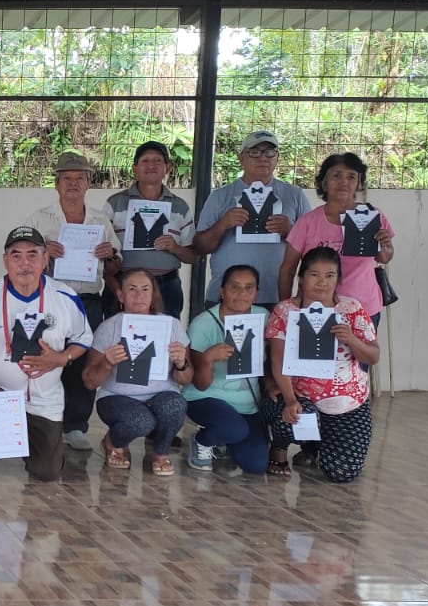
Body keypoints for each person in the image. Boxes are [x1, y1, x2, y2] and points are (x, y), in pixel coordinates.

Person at [0, 227, 92, 482]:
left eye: (32, 255)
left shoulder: (65, 297)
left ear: (45, 259)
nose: (25, 263)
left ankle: (32, 443)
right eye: (16, 255)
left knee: (47, 473)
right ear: (5, 261)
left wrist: (62, 358)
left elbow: (83, 338)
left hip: (45, 397)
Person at [263, 246, 379, 482]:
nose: (322, 282)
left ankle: (318, 445)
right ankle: (280, 447)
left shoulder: (351, 309)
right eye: (314, 274)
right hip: (301, 397)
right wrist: (290, 399)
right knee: (293, 418)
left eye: (330, 275)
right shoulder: (285, 311)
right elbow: (277, 359)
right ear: (301, 278)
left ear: (338, 279)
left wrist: (352, 340)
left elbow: (373, 356)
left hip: (346, 404)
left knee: (342, 473)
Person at [29, 151, 119, 451]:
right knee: (47, 356)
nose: (73, 183)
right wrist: (43, 253)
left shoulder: (100, 220)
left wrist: (110, 255)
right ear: (56, 184)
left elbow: (116, 267)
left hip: (87, 300)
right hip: (49, 300)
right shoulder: (39, 219)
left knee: (82, 360)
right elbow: (22, 262)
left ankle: (76, 426)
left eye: (80, 178)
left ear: (88, 183)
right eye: (66, 178)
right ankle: (43, 423)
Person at [81, 267, 193, 476]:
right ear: (120, 295)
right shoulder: (109, 327)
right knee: (141, 421)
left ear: (153, 295)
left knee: (175, 405)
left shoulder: (171, 326)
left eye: (145, 289)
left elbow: (186, 379)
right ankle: (112, 442)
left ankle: (161, 453)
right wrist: (107, 363)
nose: (139, 295)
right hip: (116, 397)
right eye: (132, 289)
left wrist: (181, 363)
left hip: (161, 394)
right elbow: (89, 381)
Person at [193, 130, 311, 306]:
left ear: (277, 158)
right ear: (241, 158)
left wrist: (290, 231)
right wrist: (223, 224)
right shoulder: (220, 196)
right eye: (254, 152)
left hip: (276, 298)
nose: (263, 158)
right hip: (226, 299)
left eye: (270, 152)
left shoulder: (294, 195)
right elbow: (199, 247)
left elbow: (312, 250)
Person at [279, 151, 396, 327]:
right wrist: (286, 309)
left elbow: (384, 258)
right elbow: (287, 269)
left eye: (351, 177)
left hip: (365, 309)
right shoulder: (308, 222)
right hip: (317, 311)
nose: (344, 182)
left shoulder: (373, 216)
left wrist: (385, 245)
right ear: (324, 183)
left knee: (361, 347)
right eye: (336, 175)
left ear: (359, 184)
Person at [184, 263, 270, 475]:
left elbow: (271, 361)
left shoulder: (263, 317)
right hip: (206, 398)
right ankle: (203, 440)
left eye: (249, 288)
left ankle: (224, 440)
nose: (242, 293)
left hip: (247, 404)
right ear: (221, 292)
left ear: (257, 293)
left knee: (256, 464)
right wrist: (208, 358)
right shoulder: (202, 324)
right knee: (234, 428)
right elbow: (200, 384)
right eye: (235, 287)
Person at [105, 140, 195, 317]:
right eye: (145, 160)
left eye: (158, 160)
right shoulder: (114, 203)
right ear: (135, 168)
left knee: (166, 333)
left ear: (167, 168)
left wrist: (175, 248)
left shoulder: (180, 206)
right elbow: (102, 250)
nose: (151, 165)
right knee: (117, 333)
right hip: (122, 284)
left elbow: (193, 256)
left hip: (166, 285)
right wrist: (116, 288)